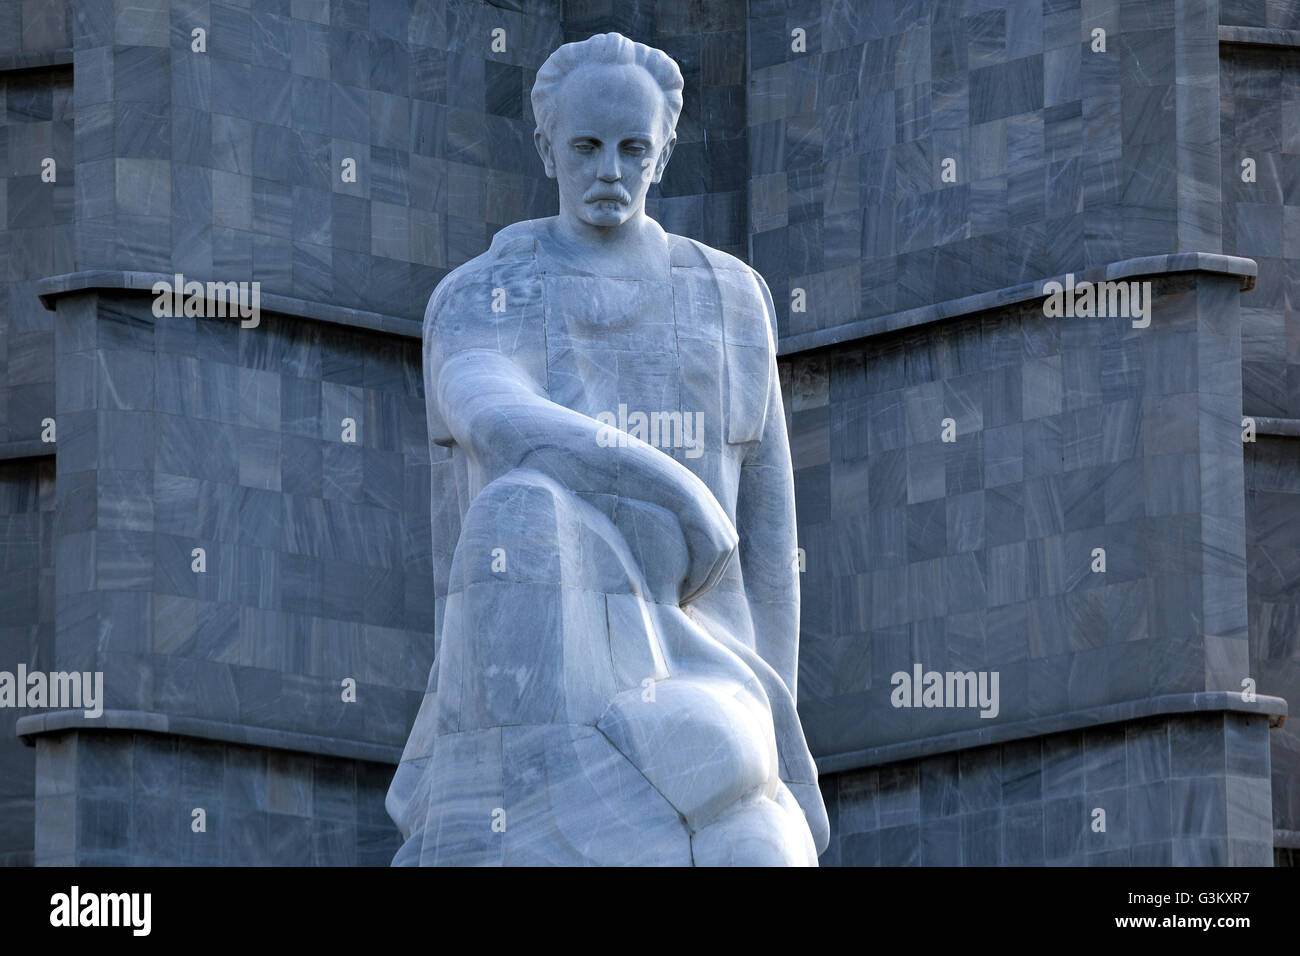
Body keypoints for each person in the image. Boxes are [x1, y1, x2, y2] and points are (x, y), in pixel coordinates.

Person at [387, 32, 829, 866]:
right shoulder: (482, 293)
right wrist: (672, 489)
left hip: (701, 655)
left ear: (663, 155)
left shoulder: (732, 299)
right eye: (586, 147)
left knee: (738, 803)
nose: (609, 172)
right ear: (546, 143)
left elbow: (770, 547)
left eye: (634, 149)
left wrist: (778, 725)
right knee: (525, 504)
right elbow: (495, 412)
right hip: (538, 653)